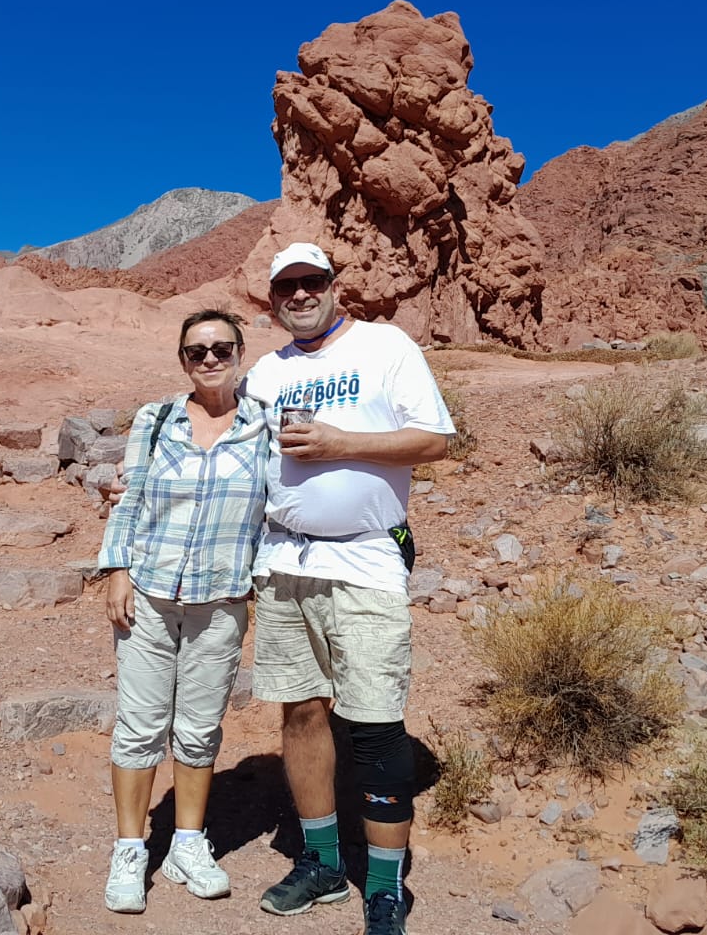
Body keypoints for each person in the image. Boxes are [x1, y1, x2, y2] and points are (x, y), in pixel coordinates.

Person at [242, 242, 453, 935]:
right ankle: (324, 861)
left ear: (335, 285)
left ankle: (387, 886)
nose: (300, 295)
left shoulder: (384, 348)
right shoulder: (264, 373)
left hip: (363, 561)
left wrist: (342, 445)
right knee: (300, 712)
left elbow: (434, 441)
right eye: (286, 288)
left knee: (375, 724)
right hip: (283, 566)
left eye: (312, 282)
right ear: (272, 300)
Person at [96, 308, 269, 914]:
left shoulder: (265, 424)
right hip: (149, 589)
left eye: (222, 347)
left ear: (240, 353)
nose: (210, 358)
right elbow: (130, 494)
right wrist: (116, 569)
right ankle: (130, 849)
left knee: (199, 728)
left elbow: (283, 503)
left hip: (222, 598)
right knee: (140, 724)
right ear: (183, 360)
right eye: (197, 351)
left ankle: (188, 845)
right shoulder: (157, 417)